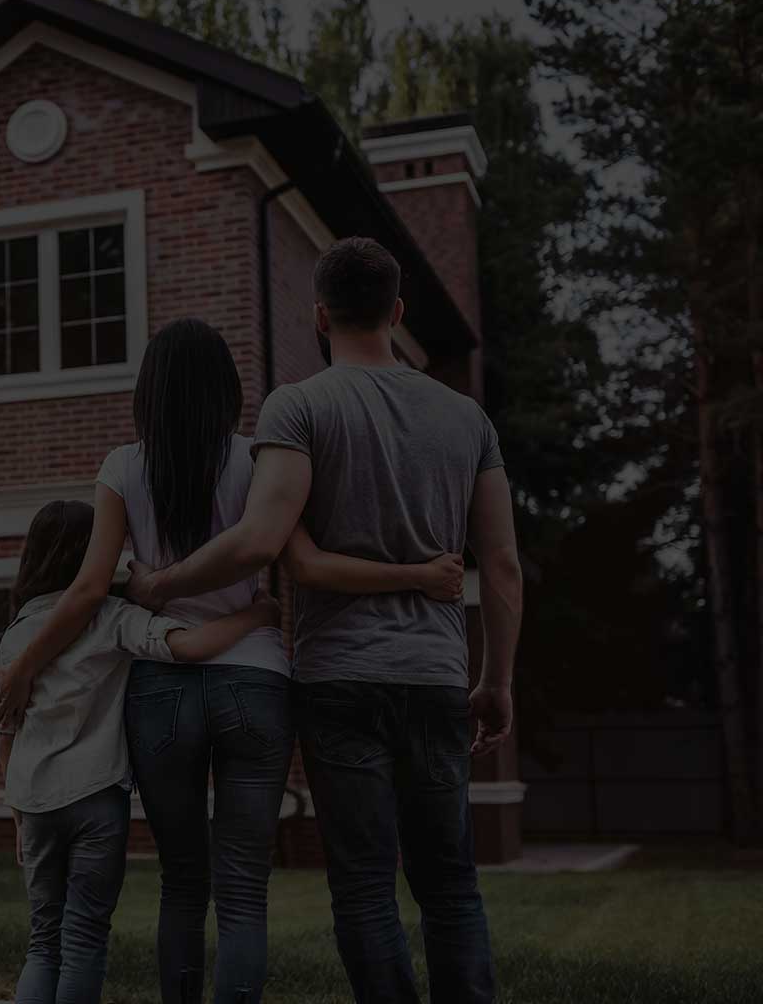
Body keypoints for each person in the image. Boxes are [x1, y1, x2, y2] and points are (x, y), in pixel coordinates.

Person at [0, 318, 462, 1004]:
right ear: (228, 389)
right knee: (244, 888)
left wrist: (28, 661)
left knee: (183, 880)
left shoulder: (123, 468)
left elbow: (91, 589)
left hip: (161, 691)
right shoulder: (260, 460)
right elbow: (295, 558)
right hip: (255, 682)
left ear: (147, 392)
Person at [123, 238, 523, 1004]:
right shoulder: (466, 417)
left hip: (339, 677)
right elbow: (501, 566)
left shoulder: (300, 405)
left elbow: (261, 542)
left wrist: (159, 585)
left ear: (319, 314)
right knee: (451, 887)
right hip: (437, 677)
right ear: (398, 312)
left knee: (367, 887)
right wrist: (495, 679)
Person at [0, 498, 281, 1004]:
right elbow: (188, 646)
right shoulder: (110, 617)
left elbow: (7, 735)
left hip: (35, 804)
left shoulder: (17, 634)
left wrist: (18, 815)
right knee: (82, 940)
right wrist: (258, 615)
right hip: (95, 800)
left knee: (43, 943)